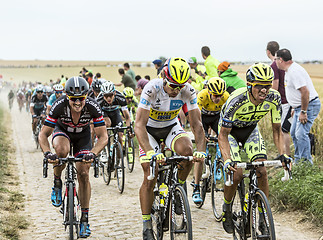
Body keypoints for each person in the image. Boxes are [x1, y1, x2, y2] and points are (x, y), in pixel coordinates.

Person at [135, 57, 206, 240]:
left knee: (187, 153)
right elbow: (139, 125)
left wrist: (201, 150)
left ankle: (178, 187)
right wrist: (150, 152)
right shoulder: (152, 88)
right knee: (150, 172)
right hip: (149, 130)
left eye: (180, 86)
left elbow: (197, 124)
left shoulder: (187, 90)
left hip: (170, 127)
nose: (176, 90)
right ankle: (146, 224)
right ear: (164, 78)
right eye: (173, 86)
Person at [218, 63, 291, 234]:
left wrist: (283, 155)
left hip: (251, 130)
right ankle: (227, 208)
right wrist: (228, 159)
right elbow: (223, 135)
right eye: (259, 86)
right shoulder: (236, 100)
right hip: (230, 134)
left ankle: (262, 216)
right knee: (235, 173)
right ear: (249, 85)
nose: (264, 90)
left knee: (262, 171)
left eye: (267, 85)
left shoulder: (274, 97)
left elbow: (276, 130)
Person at [39, 77, 108, 238]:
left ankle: (84, 219)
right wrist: (47, 153)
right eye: (73, 99)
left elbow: (103, 137)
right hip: (62, 132)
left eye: (81, 99)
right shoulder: (59, 105)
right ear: (67, 97)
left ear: (86, 96)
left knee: (83, 173)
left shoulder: (92, 106)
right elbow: (43, 134)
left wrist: (93, 153)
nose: (78, 103)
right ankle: (57, 182)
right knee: (61, 151)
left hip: (83, 137)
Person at [275, 49, 321, 164]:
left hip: (308, 106)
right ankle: (299, 161)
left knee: (301, 134)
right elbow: (295, 93)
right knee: (294, 133)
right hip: (298, 108)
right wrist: (293, 108)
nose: (275, 61)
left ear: (281, 60)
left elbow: (305, 92)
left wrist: (303, 112)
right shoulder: (289, 71)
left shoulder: (294, 71)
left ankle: (306, 164)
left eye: (276, 59)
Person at [192, 77, 229, 204]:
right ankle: (196, 187)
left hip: (216, 118)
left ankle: (219, 163)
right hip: (203, 118)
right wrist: (202, 134)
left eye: (220, 95)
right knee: (200, 154)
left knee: (223, 139)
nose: (218, 98)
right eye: (215, 95)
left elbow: (227, 118)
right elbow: (195, 118)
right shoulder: (202, 96)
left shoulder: (226, 97)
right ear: (209, 92)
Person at [266, 41, 292, 156]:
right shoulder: (282, 63)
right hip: (289, 99)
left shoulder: (273, 66)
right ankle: (284, 154)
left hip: (282, 101)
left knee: (283, 130)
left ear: (268, 52)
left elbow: (274, 86)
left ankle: (285, 155)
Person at [97, 81, 133, 149]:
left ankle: (119, 156)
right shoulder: (99, 100)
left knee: (120, 136)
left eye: (110, 95)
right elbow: (95, 117)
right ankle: (104, 148)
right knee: (107, 123)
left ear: (114, 93)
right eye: (106, 96)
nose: (108, 98)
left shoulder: (120, 98)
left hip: (115, 113)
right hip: (105, 113)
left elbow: (127, 117)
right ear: (102, 95)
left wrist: (129, 129)